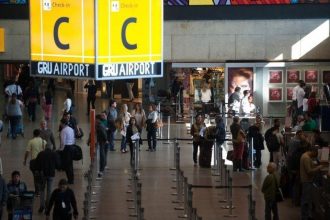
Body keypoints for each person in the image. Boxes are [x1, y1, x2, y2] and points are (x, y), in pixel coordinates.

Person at [300, 146, 323, 220]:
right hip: (307, 181)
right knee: (306, 200)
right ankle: (305, 217)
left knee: (307, 199)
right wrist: (318, 168)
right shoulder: (306, 158)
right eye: (315, 154)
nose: (315, 156)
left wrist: (314, 165)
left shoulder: (304, 155)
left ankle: (307, 215)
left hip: (306, 180)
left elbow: (309, 166)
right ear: (312, 151)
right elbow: (309, 171)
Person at [35, 144, 60, 213]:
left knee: (42, 190)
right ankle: (47, 207)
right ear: (51, 148)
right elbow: (58, 165)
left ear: (45, 148)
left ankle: (42, 205)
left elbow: (37, 164)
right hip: (51, 174)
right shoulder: (54, 154)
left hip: (42, 175)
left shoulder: (41, 154)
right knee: (49, 191)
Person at [23, 129, 46, 196]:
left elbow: (27, 152)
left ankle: (37, 192)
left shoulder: (31, 141)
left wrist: (25, 160)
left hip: (34, 161)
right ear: (39, 134)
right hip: (41, 161)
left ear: (33, 134)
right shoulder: (43, 141)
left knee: (35, 177)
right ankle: (42, 190)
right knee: (41, 175)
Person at [59, 119, 75, 184]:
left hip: (67, 148)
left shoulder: (63, 131)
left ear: (63, 124)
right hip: (72, 147)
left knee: (67, 165)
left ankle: (70, 180)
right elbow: (74, 138)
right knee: (70, 164)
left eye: (61, 123)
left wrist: (61, 149)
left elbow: (63, 141)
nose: (60, 124)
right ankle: (71, 179)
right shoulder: (71, 129)